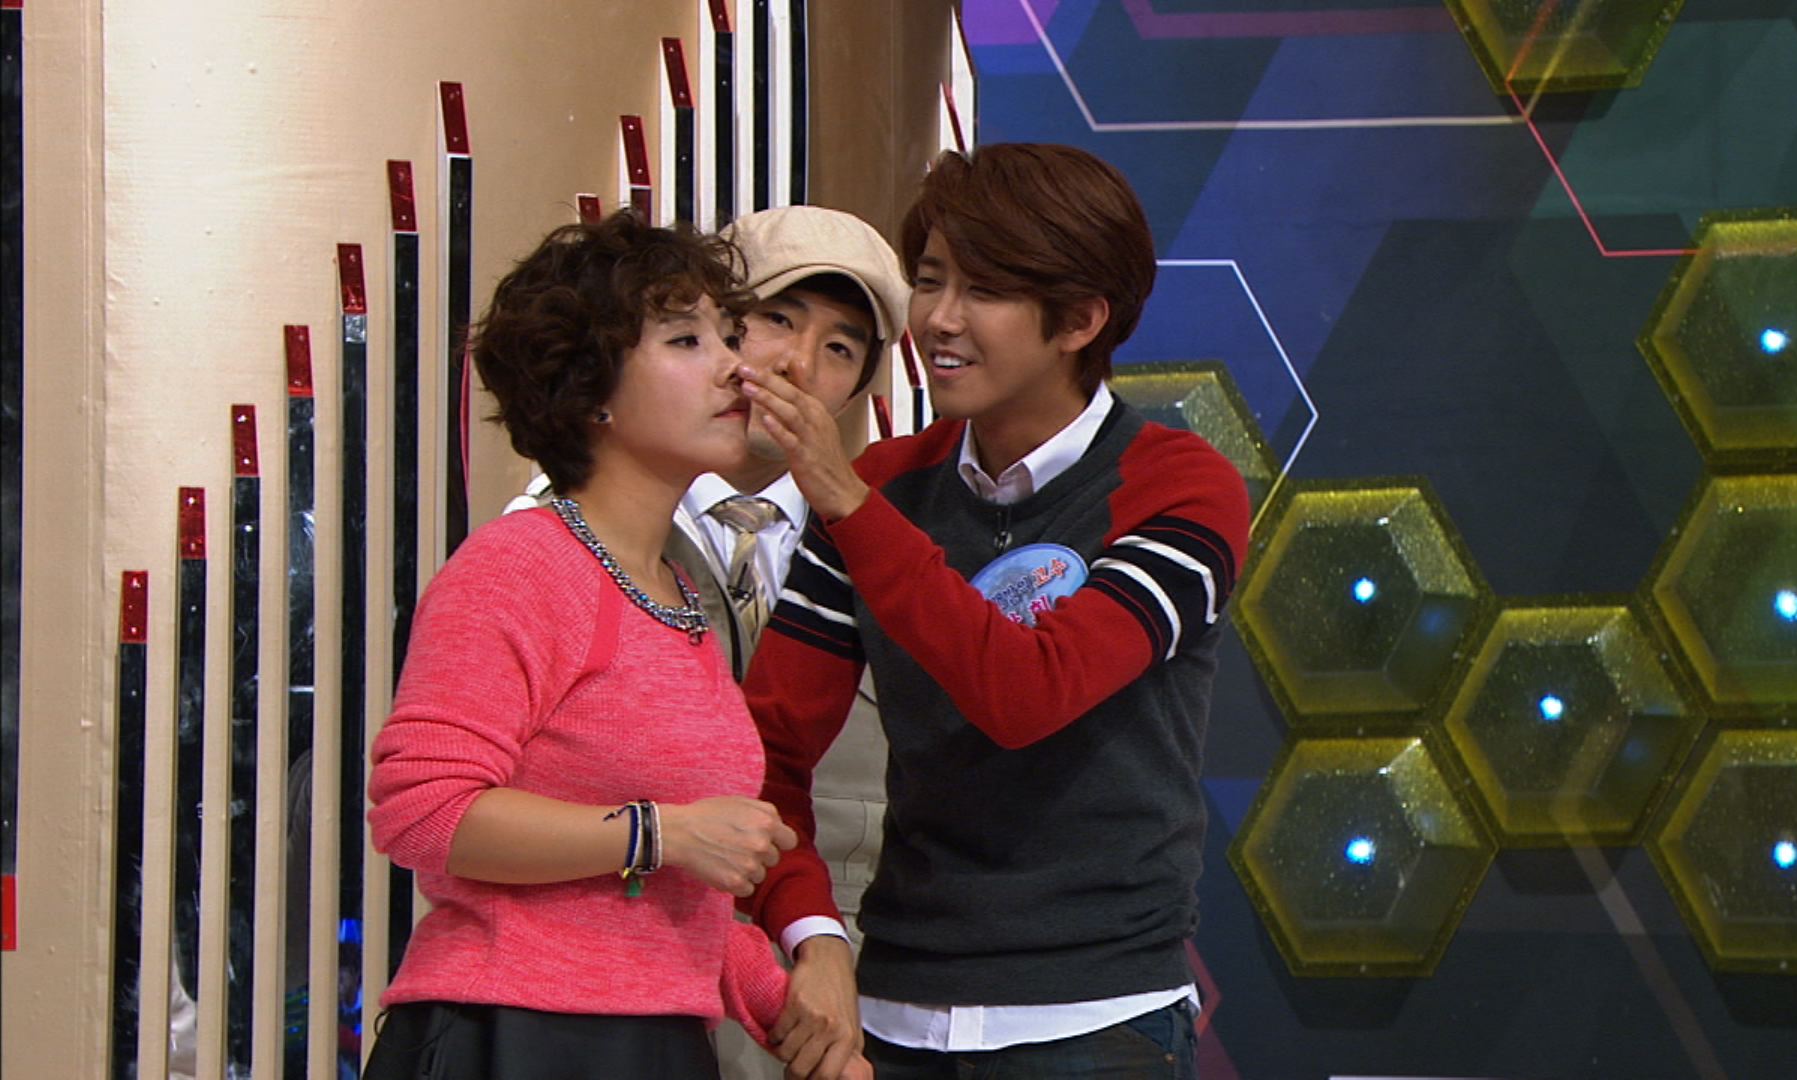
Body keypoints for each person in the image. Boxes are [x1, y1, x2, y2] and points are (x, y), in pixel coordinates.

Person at [737, 143, 1251, 1079]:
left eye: (983, 290)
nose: (939, 319)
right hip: (890, 1017)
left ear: (1081, 319)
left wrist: (848, 502)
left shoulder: (1181, 486)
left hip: (1099, 1025)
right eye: (932, 280)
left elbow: (1028, 693)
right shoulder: (885, 484)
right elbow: (762, 753)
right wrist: (813, 934)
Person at [363, 210, 805, 1079]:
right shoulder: (521, 564)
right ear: (590, 386)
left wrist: (786, 1006)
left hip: (657, 1042)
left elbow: (666, 894)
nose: (736, 366)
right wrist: (658, 832)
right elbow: (423, 811)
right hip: (516, 1032)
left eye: (729, 335)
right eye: (686, 340)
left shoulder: (676, 593)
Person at [500, 204, 908, 1080]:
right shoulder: (556, 538)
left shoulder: (884, 542)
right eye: (773, 320)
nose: (795, 365)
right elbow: (443, 806)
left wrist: (817, 945)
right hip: (607, 985)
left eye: (841, 348)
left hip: (831, 988)